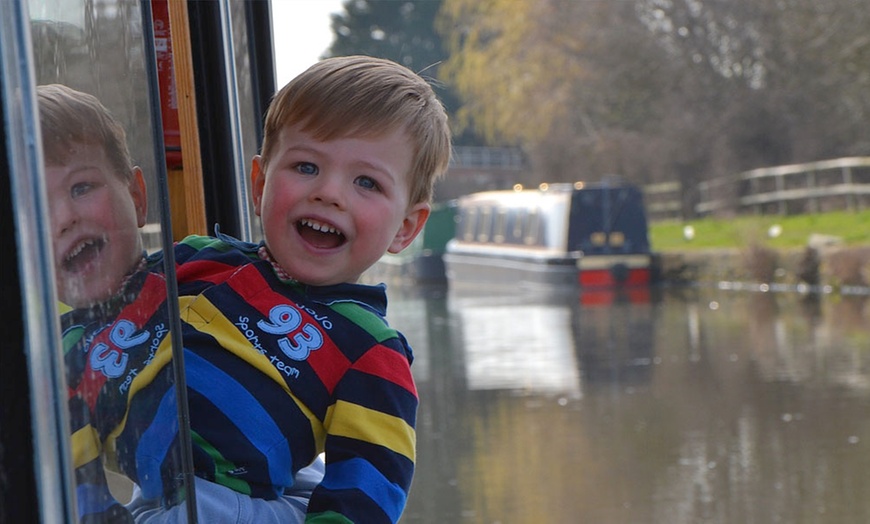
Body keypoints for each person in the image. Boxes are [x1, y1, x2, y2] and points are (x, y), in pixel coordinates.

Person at [126, 55, 451, 523]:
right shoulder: (196, 259)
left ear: (405, 227)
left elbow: (368, 489)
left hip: (226, 506)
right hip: (148, 487)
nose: (329, 192)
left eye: (366, 182)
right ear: (259, 183)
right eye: (305, 166)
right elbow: (104, 307)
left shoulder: (369, 350)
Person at [39, 84, 323, 523]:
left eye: (81, 187)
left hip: (292, 489)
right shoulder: (63, 364)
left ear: (136, 196)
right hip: (175, 504)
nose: (63, 219)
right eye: (34, 208)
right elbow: (80, 491)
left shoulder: (208, 266)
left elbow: (312, 307)